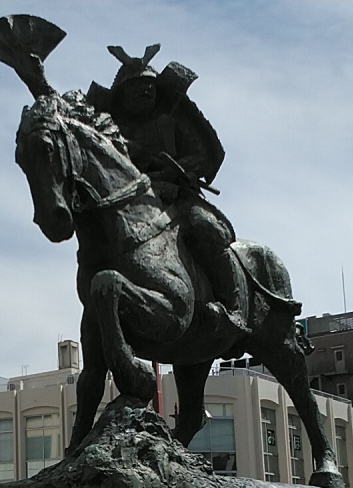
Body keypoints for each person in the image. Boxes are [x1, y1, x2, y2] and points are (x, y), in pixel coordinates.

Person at [89, 45, 249, 338]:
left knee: (207, 228)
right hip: (134, 204)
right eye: (135, 88)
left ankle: (234, 307)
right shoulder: (114, 132)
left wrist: (175, 170)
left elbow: (204, 154)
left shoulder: (173, 119)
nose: (144, 91)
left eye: (149, 86)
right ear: (122, 95)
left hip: (178, 196)